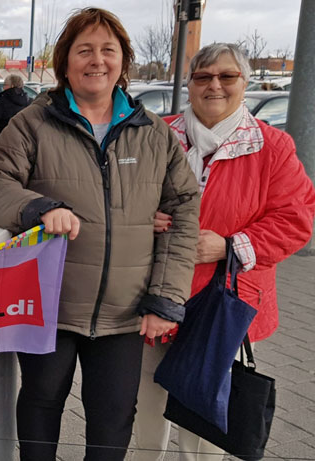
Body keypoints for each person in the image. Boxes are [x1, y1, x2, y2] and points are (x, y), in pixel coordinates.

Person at [0, 8, 200, 460]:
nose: (97, 60)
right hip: (50, 305)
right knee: (41, 401)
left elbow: (183, 211)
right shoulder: (33, 122)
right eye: (84, 50)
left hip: (126, 310)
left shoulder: (153, 134)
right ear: (66, 61)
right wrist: (37, 207)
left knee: (114, 414)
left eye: (108, 50)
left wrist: (166, 298)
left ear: (123, 61)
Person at [133, 43, 315, 461]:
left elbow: (295, 220)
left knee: (205, 420)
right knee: (147, 407)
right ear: (192, 84)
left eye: (227, 76)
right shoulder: (155, 134)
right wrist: (144, 220)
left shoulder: (273, 147)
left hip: (222, 302)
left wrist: (230, 245)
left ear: (244, 83)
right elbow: (120, 200)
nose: (215, 85)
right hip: (152, 293)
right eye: (203, 76)